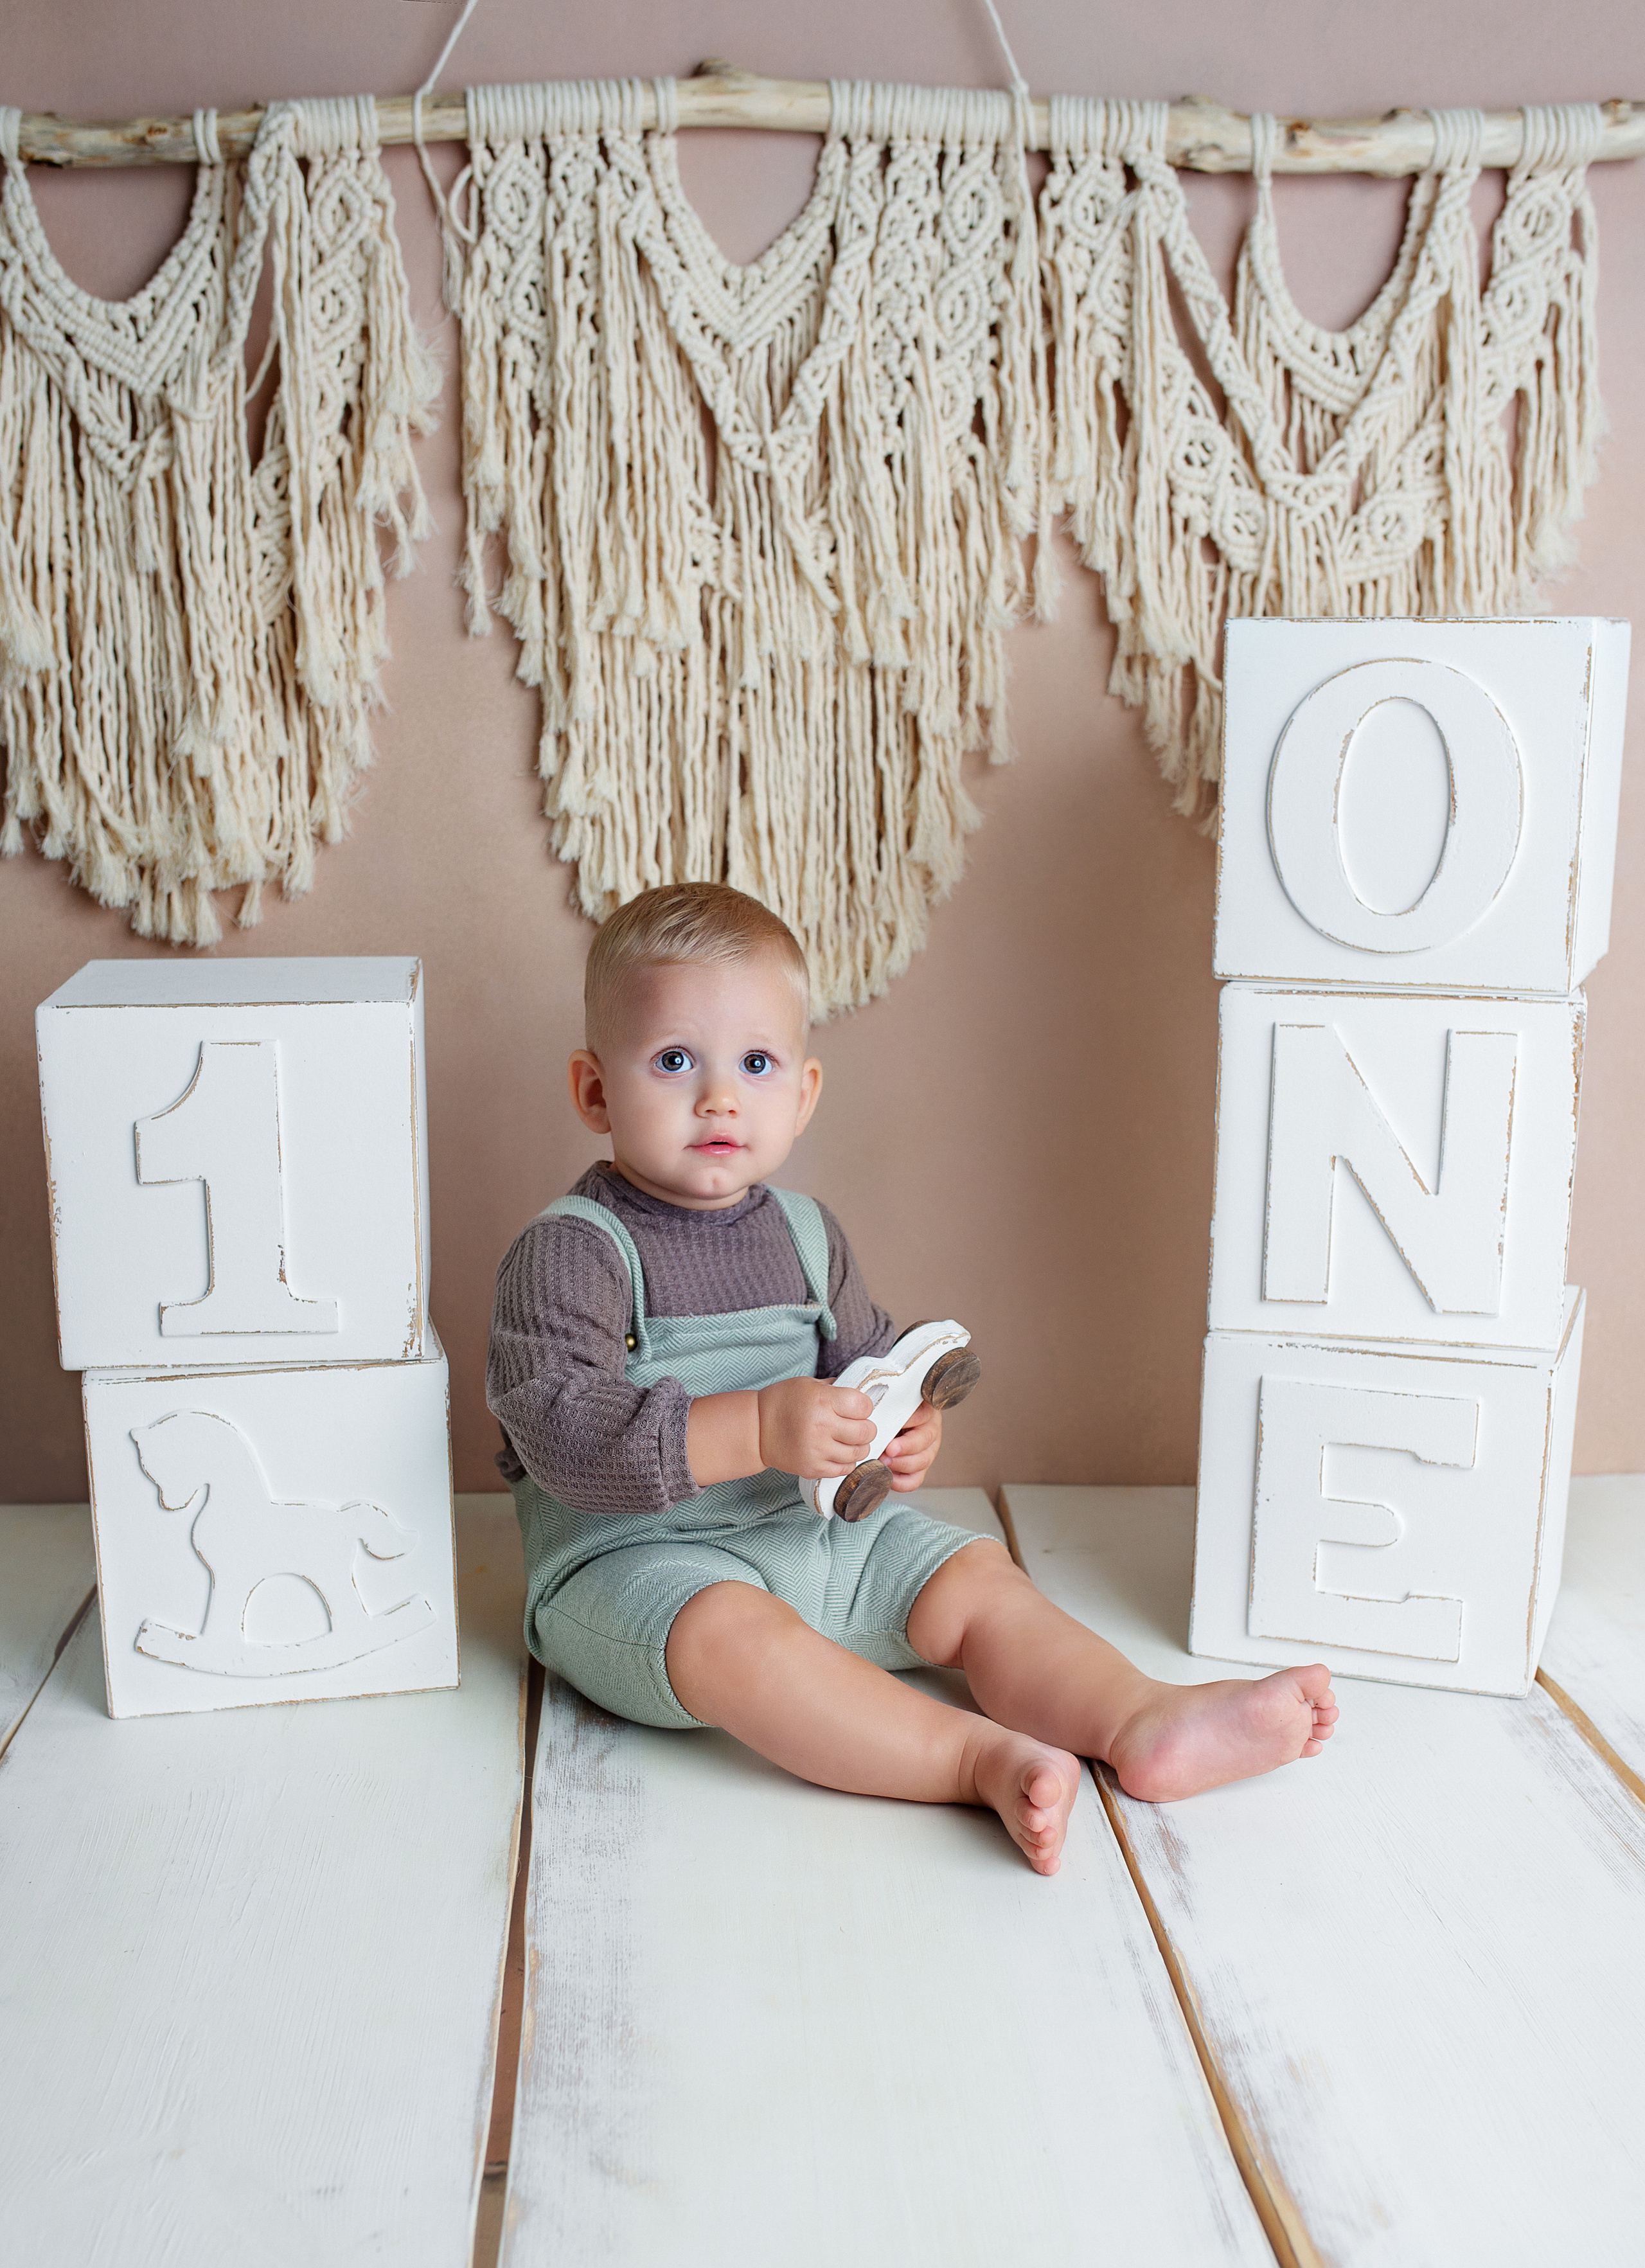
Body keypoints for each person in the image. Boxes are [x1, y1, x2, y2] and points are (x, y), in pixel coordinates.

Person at [488, 883, 1337, 1874]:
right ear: (595, 1090)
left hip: (813, 1535)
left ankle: (1139, 1718)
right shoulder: (572, 1253)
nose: (719, 1096)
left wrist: (900, 1433)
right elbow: (564, 1432)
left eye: (755, 1064)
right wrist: (758, 1427)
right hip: (642, 1567)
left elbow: (868, 1367)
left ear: (802, 1092)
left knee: (973, 1573)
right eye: (675, 1060)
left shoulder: (807, 1235)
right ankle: (970, 1756)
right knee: (732, 1636)